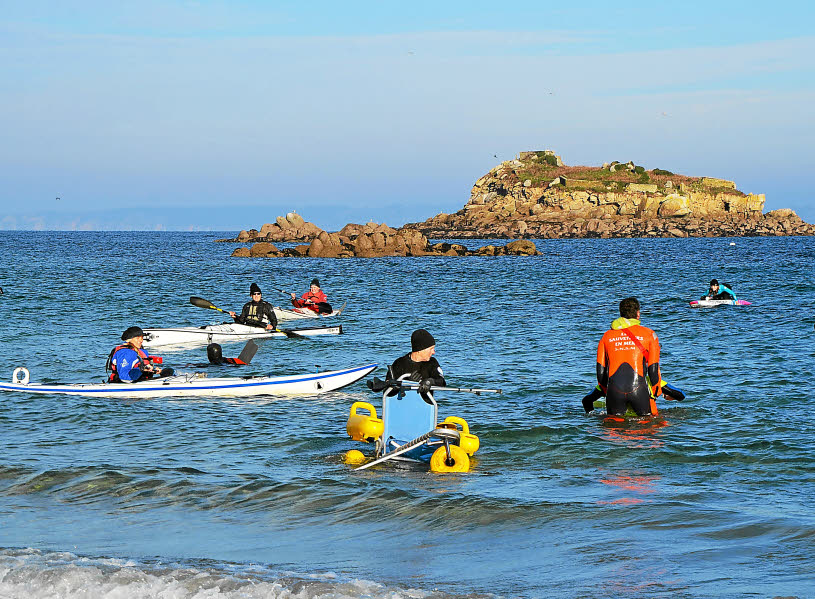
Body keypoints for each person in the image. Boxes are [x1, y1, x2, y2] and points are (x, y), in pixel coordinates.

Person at [591, 297, 663, 417]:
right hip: (639, 389)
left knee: (614, 431)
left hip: (614, 391)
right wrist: (655, 393)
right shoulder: (650, 334)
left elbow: (600, 372)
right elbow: (653, 370)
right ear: (638, 314)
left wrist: (606, 392)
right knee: (646, 429)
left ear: (621, 314)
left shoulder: (606, 336)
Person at [387, 329, 447, 400]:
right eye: (431, 349)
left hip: (426, 406)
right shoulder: (399, 363)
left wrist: (430, 381)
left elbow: (442, 382)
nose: (433, 352)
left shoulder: (432, 362)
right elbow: (388, 392)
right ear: (420, 349)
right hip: (402, 404)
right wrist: (408, 383)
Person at [107, 326, 172, 383]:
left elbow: (140, 366)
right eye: (137, 338)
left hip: (141, 380)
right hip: (122, 383)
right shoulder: (125, 353)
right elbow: (125, 378)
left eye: (142, 338)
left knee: (170, 371)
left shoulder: (142, 351)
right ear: (129, 340)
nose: (141, 340)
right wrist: (142, 370)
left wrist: (153, 370)